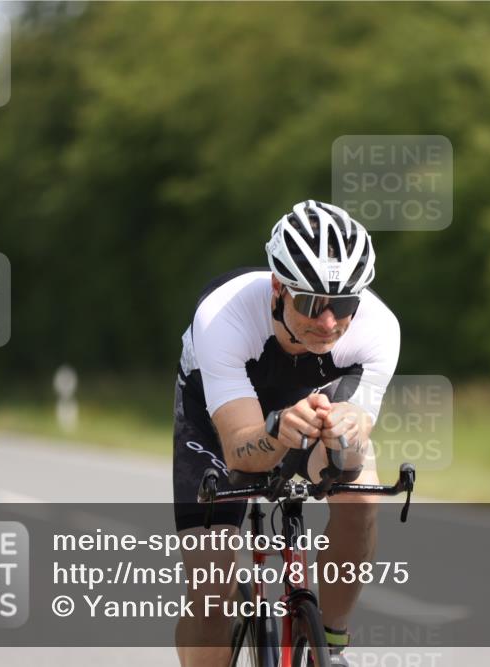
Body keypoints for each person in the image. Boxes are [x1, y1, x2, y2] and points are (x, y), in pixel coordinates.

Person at [172, 200, 401, 666]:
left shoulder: (378, 329)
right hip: (218, 425)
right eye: (311, 304)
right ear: (278, 288)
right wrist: (277, 433)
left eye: (343, 304)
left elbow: (350, 448)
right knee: (211, 593)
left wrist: (349, 432)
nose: (329, 322)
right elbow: (240, 453)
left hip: (307, 414)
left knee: (359, 496)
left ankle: (329, 644)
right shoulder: (224, 315)